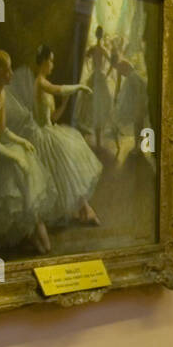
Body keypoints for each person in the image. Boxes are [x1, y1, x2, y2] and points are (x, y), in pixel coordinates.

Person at [0, 50, 53, 254]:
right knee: (15, 167)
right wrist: (16, 158)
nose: (11, 73)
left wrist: (22, 142)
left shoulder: (1, 93)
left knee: (23, 159)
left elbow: (3, 131)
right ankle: (30, 229)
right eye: (7, 70)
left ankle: (32, 225)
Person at [17, 45, 104, 227]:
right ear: (44, 61)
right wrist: (79, 87)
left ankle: (84, 210)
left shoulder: (44, 83)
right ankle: (84, 210)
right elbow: (59, 90)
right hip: (42, 136)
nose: (53, 65)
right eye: (51, 61)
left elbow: (54, 116)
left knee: (68, 170)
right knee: (62, 172)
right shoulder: (40, 82)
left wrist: (64, 104)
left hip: (50, 130)